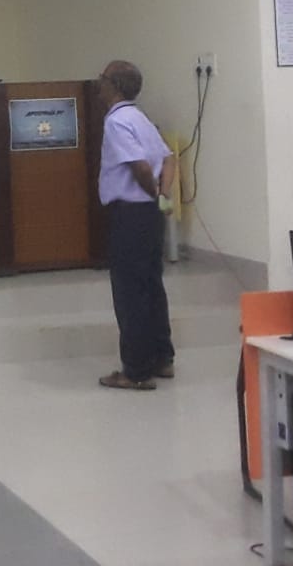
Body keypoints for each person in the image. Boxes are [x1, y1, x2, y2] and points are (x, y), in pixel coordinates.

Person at [96, 59, 176, 391]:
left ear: (114, 85)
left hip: (130, 215)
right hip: (150, 215)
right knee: (151, 285)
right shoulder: (140, 118)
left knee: (130, 293)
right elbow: (169, 159)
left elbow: (140, 168)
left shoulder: (117, 122)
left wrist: (151, 192)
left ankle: (136, 371)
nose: (98, 83)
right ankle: (162, 358)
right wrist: (163, 197)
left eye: (102, 78)